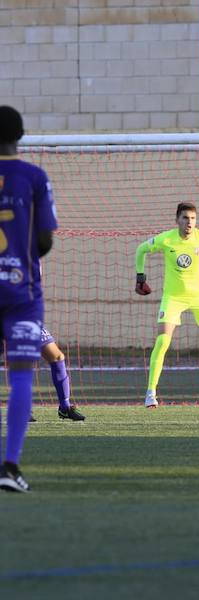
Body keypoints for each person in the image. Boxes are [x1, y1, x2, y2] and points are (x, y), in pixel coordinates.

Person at [0, 105, 58, 492]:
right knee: (20, 375)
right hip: (22, 292)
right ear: (20, 136)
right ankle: (10, 467)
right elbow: (45, 240)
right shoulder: (34, 177)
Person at [134, 202, 199, 410]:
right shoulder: (166, 239)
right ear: (177, 220)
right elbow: (141, 249)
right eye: (185, 218)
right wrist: (140, 278)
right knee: (162, 341)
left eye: (192, 218)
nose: (189, 222)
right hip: (173, 297)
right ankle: (150, 393)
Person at [29, 328, 87, 422]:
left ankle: (65, 408)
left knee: (57, 357)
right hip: (12, 321)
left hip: (30, 321)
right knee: (23, 359)